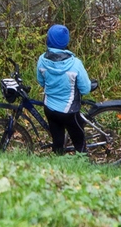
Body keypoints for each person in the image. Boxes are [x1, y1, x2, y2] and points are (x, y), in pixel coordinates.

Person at [36, 24, 92, 155]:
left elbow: (41, 81)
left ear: (48, 39)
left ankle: (59, 165)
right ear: (66, 41)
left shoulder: (41, 60)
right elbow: (85, 89)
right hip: (69, 111)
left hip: (49, 108)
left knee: (57, 142)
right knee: (79, 141)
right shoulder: (75, 64)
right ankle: (83, 163)